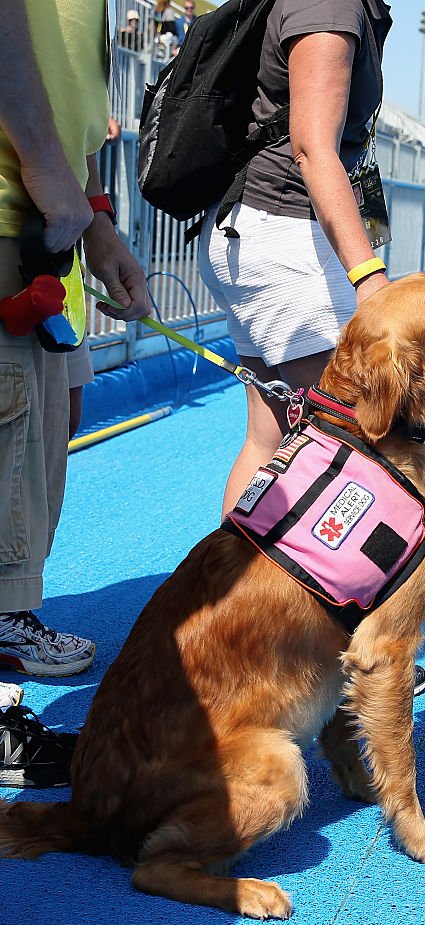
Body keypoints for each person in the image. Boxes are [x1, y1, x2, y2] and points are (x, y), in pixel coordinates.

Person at [1, 0, 149, 780]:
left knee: (28, 467)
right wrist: (41, 169)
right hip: (15, 209)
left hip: (43, 220)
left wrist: (95, 221)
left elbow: (69, 107)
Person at [199, 0, 392, 521]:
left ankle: (232, 593)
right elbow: (313, 149)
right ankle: (321, 593)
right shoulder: (331, 4)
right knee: (340, 437)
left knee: (270, 437)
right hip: (284, 236)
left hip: (255, 233)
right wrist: (368, 274)